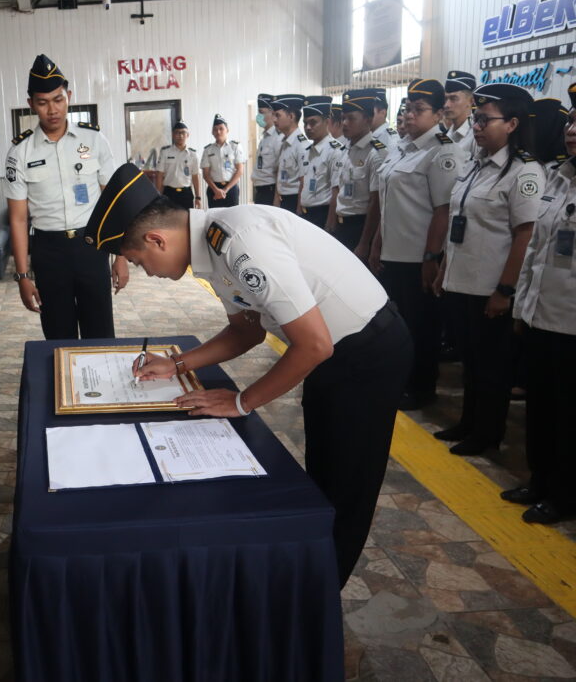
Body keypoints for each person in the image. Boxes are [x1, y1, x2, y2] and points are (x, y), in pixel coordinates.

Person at [84, 163, 411, 587]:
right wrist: (178, 364)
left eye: (138, 260)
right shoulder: (211, 245)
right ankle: (311, 573)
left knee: (348, 483)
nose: (146, 271)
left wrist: (241, 402)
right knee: (324, 471)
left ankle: (323, 591)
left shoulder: (239, 242)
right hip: (333, 354)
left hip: (368, 351)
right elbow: (247, 331)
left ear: (156, 239)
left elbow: (314, 345)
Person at [432, 83, 543, 456]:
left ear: (511, 124)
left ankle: (488, 433)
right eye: (476, 119)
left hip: (489, 287)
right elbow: (458, 225)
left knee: (492, 366)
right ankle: (469, 422)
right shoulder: (476, 165)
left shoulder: (524, 172)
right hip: (461, 281)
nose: (477, 126)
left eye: (485, 120)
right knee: (471, 361)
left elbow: (524, 235)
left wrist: (504, 290)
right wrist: (444, 270)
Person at [5, 54, 128, 340]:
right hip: (49, 253)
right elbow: (18, 219)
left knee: (100, 334)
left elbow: (112, 201)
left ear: (69, 97)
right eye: (43, 102)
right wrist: (22, 276)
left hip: (91, 247)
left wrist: (120, 256)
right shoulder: (20, 153)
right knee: (58, 336)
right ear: (31, 104)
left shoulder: (94, 140)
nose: (52, 110)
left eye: (58, 100)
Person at [369, 78, 465, 410]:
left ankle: (422, 387)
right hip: (393, 254)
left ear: (439, 113)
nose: (410, 115)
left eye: (419, 109)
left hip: (417, 258)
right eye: (408, 108)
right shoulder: (402, 148)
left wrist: (430, 256)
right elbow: (387, 205)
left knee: (420, 327)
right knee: (397, 326)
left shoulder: (442, 152)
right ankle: (400, 380)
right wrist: (377, 244)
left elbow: (443, 210)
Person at [507, 87, 576, 524]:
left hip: (572, 325)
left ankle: (564, 495)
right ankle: (539, 481)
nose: (572, 131)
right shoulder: (558, 176)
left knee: (569, 416)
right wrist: (521, 308)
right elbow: (534, 250)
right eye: (572, 121)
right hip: (541, 315)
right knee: (542, 409)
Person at [336, 89, 388, 252]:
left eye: (351, 118)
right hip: (341, 224)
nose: (344, 123)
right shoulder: (345, 150)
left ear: (368, 119)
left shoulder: (376, 153)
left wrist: (365, 243)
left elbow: (376, 203)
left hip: (360, 227)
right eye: (343, 118)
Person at [298, 96, 342, 228]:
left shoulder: (335, 151)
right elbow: (303, 183)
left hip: (322, 214)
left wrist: (330, 223)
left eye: (313, 122)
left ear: (326, 122)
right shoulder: (307, 151)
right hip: (306, 214)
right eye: (305, 123)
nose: (308, 127)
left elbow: (336, 191)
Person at [272, 94, 310, 212]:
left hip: (294, 201)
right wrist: (276, 201)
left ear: (291, 116)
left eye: (278, 115)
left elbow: (303, 182)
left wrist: (299, 210)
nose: (274, 120)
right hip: (284, 200)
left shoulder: (301, 145)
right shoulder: (285, 142)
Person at [200, 113, 247, 207]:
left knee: (232, 215)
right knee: (214, 215)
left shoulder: (235, 146)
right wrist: (216, 190)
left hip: (231, 188)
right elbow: (205, 174)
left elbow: (240, 171)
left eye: (221, 128)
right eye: (215, 129)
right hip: (214, 189)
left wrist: (225, 190)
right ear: (212, 132)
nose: (218, 132)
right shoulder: (208, 150)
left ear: (227, 130)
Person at [152, 120, 201, 209]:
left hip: (186, 194)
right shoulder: (165, 152)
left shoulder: (193, 154)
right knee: (168, 218)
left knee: (187, 217)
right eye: (177, 133)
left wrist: (198, 197)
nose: (180, 136)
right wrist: (158, 196)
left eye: (183, 133)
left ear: (187, 135)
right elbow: (159, 175)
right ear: (173, 135)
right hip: (169, 193)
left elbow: (195, 176)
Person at [252, 94, 282, 206]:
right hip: (260, 190)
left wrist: (276, 199)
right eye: (258, 112)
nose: (258, 116)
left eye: (261, 112)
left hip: (270, 191)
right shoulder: (265, 137)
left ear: (272, 113)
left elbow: (280, 170)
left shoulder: (278, 137)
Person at [443, 70, 477, 159]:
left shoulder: (476, 136)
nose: (446, 105)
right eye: (445, 99)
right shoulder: (446, 134)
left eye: (453, 98)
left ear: (471, 101)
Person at [371, 88, 399, 152]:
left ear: (383, 112)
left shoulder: (390, 140)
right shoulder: (372, 135)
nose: (366, 116)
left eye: (370, 112)